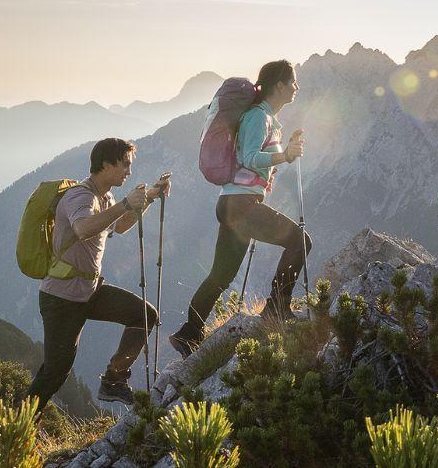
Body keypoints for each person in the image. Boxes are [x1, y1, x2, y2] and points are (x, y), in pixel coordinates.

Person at [171, 59, 310, 356]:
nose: (297, 87)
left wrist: (287, 150)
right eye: (293, 82)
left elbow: (258, 163)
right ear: (280, 85)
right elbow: (249, 157)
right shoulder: (259, 117)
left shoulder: (266, 117)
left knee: (221, 275)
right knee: (300, 241)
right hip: (241, 205)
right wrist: (285, 155)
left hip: (234, 203)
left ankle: (188, 333)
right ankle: (276, 309)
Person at [25, 138, 171, 407]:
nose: (128, 171)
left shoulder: (106, 198)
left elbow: (121, 225)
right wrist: (126, 204)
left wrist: (148, 198)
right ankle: (17, 428)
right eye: (125, 164)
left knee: (145, 315)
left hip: (88, 291)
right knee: (54, 374)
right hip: (61, 298)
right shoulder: (80, 196)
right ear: (106, 164)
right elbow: (82, 229)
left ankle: (114, 380)